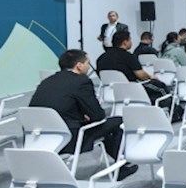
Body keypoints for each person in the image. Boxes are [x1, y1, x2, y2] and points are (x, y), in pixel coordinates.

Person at [29, 49, 137, 180]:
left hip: (38, 138)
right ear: (79, 65)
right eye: (87, 63)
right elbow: (98, 116)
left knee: (102, 128)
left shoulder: (46, 81)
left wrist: (81, 116)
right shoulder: (81, 82)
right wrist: (86, 117)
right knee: (116, 121)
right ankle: (121, 166)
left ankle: (121, 164)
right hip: (69, 139)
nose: (88, 67)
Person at [97, 31, 169, 103]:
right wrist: (151, 77)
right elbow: (141, 75)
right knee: (161, 87)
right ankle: (171, 110)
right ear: (125, 42)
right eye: (130, 39)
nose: (131, 42)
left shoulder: (101, 58)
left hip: (109, 91)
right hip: (131, 89)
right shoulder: (128, 57)